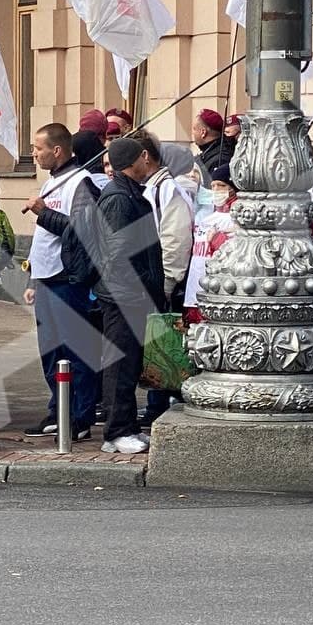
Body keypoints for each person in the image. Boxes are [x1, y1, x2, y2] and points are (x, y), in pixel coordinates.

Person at [23, 123, 101, 440]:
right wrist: (32, 278)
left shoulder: (80, 183)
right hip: (45, 279)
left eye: (37, 148)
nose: (33, 154)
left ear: (56, 150)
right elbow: (42, 239)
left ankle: (80, 416)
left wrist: (44, 214)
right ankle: (59, 409)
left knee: (75, 351)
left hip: (67, 280)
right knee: (51, 352)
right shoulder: (51, 182)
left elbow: (84, 230)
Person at [94, 137, 164, 454]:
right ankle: (116, 432)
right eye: (142, 158)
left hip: (132, 294)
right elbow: (117, 254)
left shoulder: (130, 193)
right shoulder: (119, 198)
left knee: (130, 363)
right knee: (120, 364)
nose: (145, 162)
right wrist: (142, 286)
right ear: (138, 159)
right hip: (123, 296)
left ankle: (127, 426)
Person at [131, 130, 194, 425]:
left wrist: (167, 281)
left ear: (145, 156)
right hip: (150, 279)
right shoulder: (151, 187)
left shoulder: (167, 190)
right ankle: (157, 402)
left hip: (163, 281)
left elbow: (176, 239)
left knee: (162, 341)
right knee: (154, 342)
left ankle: (160, 404)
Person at [184, 164, 238, 323]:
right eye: (213, 185)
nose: (216, 190)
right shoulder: (208, 214)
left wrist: (217, 239)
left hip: (220, 288)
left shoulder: (237, 216)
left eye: (221, 185)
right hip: (197, 282)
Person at [192, 109, 231, 175]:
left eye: (194, 129)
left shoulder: (219, 160)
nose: (193, 133)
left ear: (203, 132)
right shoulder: (209, 152)